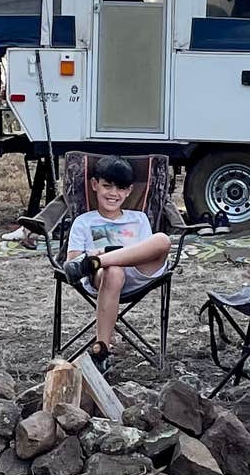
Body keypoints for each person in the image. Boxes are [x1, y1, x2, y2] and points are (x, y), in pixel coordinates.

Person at [64, 155, 171, 370]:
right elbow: (72, 263)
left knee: (163, 240)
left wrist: (102, 253)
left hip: (137, 274)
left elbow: (144, 253)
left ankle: (97, 259)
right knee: (114, 271)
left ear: (129, 190)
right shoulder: (84, 221)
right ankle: (101, 350)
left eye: (121, 188)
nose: (114, 193)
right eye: (107, 186)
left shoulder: (138, 218)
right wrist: (105, 262)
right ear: (95, 185)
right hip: (102, 278)